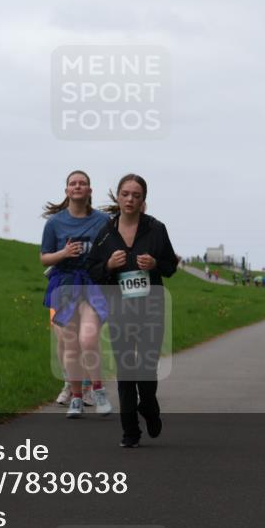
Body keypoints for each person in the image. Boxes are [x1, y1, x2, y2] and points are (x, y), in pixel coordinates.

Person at [88, 174, 178, 448]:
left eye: (136, 195)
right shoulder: (105, 233)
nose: (130, 199)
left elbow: (170, 266)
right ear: (118, 197)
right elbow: (92, 271)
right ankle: (130, 432)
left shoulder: (156, 229)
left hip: (151, 307)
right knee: (126, 370)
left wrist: (155, 264)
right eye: (125, 194)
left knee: (146, 368)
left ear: (143, 200)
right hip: (119, 308)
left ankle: (148, 406)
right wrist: (109, 266)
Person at [41, 171, 112, 418]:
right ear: (67, 191)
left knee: (89, 340)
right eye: (73, 183)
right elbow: (44, 258)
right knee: (69, 344)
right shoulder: (54, 223)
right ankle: (75, 396)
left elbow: (111, 250)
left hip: (92, 284)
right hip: (65, 284)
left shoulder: (103, 221)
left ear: (90, 190)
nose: (78, 186)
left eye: (83, 183)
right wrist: (64, 254)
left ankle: (98, 390)